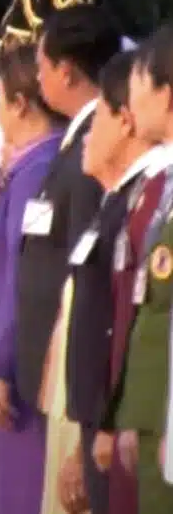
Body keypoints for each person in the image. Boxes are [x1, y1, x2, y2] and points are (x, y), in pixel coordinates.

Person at [26, 2, 126, 514]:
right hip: (65, 366)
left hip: (82, 382)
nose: (36, 78)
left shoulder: (94, 150)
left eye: (41, 65)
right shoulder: (73, 143)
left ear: (67, 69)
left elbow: (87, 278)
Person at [0, 42, 65, 514]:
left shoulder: (35, 173)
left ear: (20, 104)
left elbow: (18, 278)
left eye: (1, 100)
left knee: (21, 497)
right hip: (3, 363)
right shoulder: (24, 167)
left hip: (17, 372)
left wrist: (1, 367)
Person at [79, 50, 163, 514]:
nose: (132, 104)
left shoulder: (155, 194)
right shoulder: (142, 194)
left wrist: (129, 417)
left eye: (141, 87)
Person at [108, 25, 173, 510]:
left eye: (139, 82)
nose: (130, 99)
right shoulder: (163, 185)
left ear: (166, 96)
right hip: (152, 417)